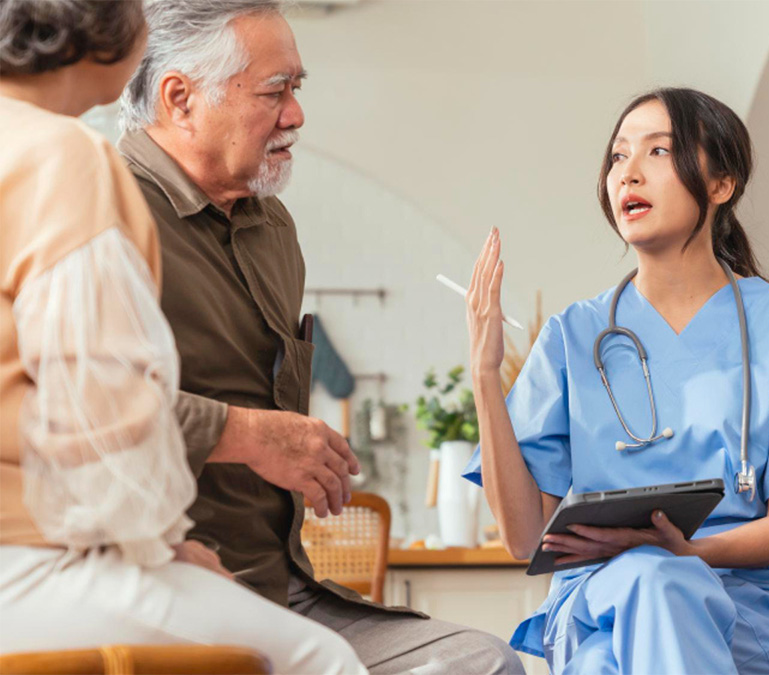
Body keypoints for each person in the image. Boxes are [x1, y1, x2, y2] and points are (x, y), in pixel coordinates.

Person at [115, 1, 522, 672]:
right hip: (164, 590)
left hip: (287, 591)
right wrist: (248, 434)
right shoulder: (103, 210)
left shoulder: (274, 231)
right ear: (180, 98)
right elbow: (73, 408)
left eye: (296, 88)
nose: (296, 115)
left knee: (481, 660)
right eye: (275, 91)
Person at [0, 1, 364, 671]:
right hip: (32, 556)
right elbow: (97, 410)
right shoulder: (66, 157)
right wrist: (159, 547)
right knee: (322, 660)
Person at [463, 87, 769, 674]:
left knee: (617, 645)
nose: (628, 173)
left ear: (720, 185)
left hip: (747, 606)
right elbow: (528, 540)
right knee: (647, 581)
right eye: (617, 156)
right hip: (601, 595)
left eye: (658, 152)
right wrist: (484, 374)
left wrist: (682, 550)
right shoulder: (572, 335)